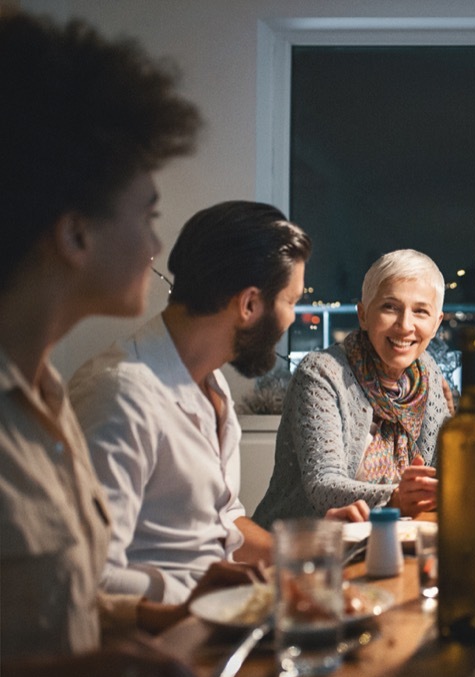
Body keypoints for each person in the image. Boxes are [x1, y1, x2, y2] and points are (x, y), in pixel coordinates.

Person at [0, 11, 212, 677]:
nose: (157, 243)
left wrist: (167, 617)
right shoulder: (108, 387)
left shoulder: (46, 397)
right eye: (148, 214)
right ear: (75, 232)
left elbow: (60, 607)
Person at [68, 201, 369, 606]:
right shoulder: (120, 395)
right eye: (290, 301)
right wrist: (195, 594)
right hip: (160, 645)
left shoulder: (212, 384)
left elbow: (224, 522)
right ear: (249, 305)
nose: (293, 319)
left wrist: (308, 546)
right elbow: (89, 578)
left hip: (223, 614)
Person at [254, 249, 475, 525]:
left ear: (436, 324)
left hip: (391, 537)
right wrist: (395, 498)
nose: (405, 325)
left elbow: (441, 467)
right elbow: (322, 486)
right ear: (363, 315)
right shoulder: (321, 372)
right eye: (390, 307)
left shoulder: (427, 373)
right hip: (299, 547)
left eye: (420, 311)